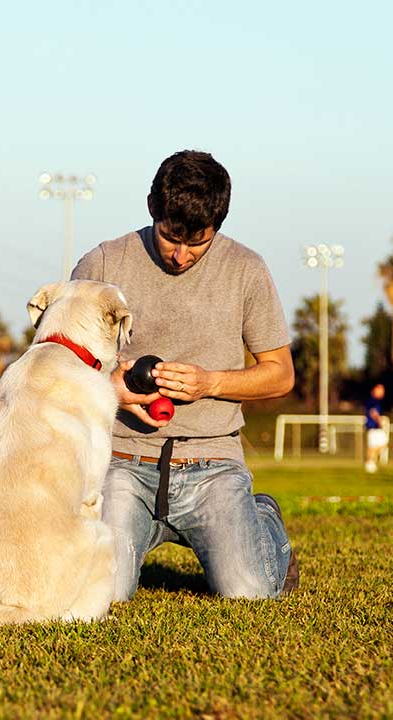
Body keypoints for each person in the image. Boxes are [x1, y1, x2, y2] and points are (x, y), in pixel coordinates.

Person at [71, 150, 297, 602]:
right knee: (104, 594)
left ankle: (262, 517)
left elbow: (280, 375)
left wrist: (210, 382)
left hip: (213, 464)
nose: (180, 255)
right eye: (171, 237)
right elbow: (61, 367)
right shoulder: (102, 263)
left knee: (248, 591)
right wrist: (112, 388)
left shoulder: (246, 269)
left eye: (197, 243)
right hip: (121, 462)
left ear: (218, 226)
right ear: (153, 207)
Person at [364, 383, 387, 474]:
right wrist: (379, 420)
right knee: (373, 447)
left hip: (377, 427)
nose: (382, 392)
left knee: (382, 444)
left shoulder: (377, 401)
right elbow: (373, 412)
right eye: (380, 390)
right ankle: (369, 463)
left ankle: (371, 462)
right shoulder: (373, 400)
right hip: (373, 426)